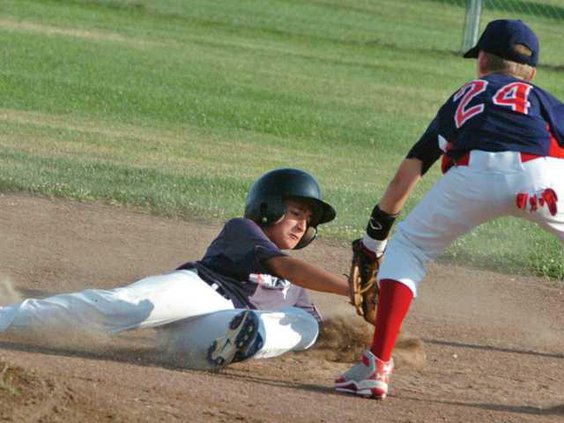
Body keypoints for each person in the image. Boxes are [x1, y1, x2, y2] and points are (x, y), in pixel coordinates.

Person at [335, 19, 564, 399]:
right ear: (532, 73)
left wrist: (374, 245)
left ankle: (376, 367)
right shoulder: (542, 99)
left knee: (409, 248)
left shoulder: (464, 96)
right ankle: (538, 194)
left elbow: (403, 180)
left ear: (482, 61)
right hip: (545, 176)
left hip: (474, 174)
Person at [0, 168, 349, 369]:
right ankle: (5, 318)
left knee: (306, 325)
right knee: (117, 307)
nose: (303, 225)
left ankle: (246, 335)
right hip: (195, 292)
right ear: (267, 207)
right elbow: (287, 267)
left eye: (308, 220)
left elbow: (321, 331)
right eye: (296, 212)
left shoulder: (297, 293)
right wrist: (352, 288)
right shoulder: (244, 230)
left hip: (214, 333)